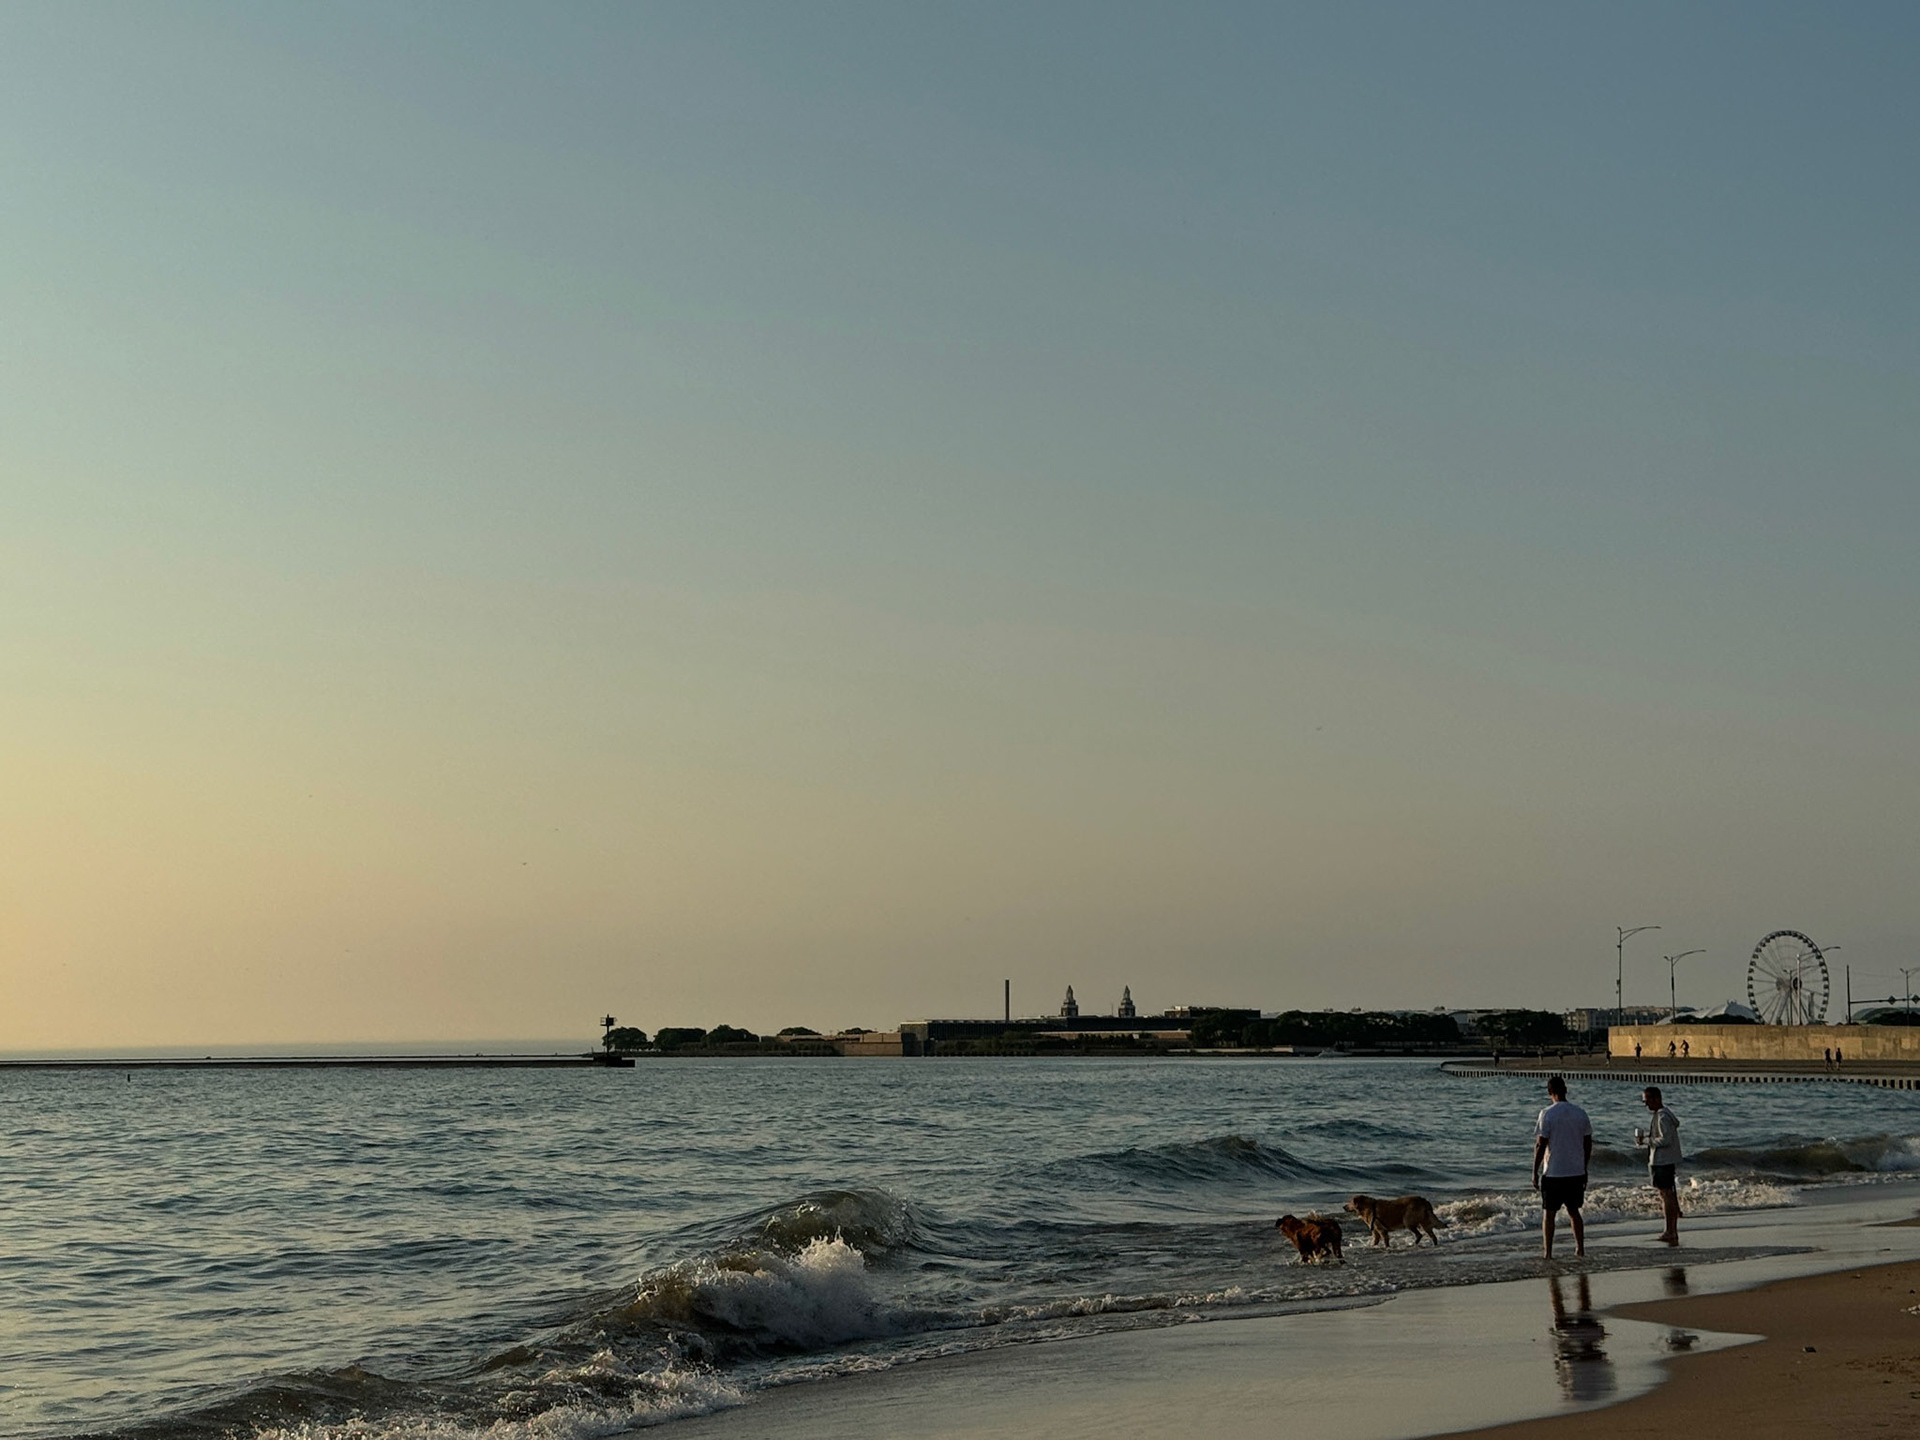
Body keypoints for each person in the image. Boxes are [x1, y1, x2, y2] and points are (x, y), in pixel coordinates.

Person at [1534, 1075, 1592, 1259]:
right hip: (1575, 1170)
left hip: (1553, 1171)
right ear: (1565, 1090)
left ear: (1550, 1092)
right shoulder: (1580, 1113)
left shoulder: (1547, 1113)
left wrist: (1534, 1170)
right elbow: (1588, 1143)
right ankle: (1580, 1248)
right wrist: (1584, 1167)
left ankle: (1548, 1252)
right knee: (1574, 1212)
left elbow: (1540, 1144)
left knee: (1549, 1213)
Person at [1640, 1085, 1682, 1244]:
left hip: (1662, 1161)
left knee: (1666, 1195)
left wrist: (1646, 1141)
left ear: (1656, 1099)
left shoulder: (1663, 1116)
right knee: (1667, 1194)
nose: (1646, 1105)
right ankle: (1671, 1230)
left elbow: (1665, 1139)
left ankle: (1670, 1230)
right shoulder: (1663, 1115)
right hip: (1666, 1160)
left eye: (1647, 1101)